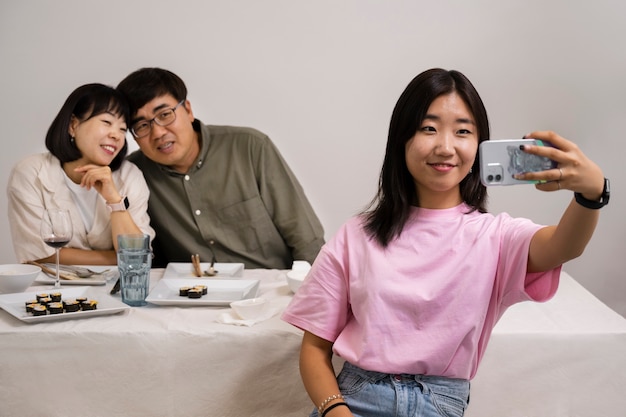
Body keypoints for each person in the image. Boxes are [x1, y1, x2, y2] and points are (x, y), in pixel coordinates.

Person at [281, 68, 608, 417]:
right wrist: (336, 412)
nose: (445, 146)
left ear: (479, 146)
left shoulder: (496, 237)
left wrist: (592, 194)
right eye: (428, 128)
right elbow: (315, 348)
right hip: (354, 401)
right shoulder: (356, 235)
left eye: (463, 131)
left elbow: (563, 246)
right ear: (402, 139)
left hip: (438, 405)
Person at [116, 67, 324, 269]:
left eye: (165, 114)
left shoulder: (250, 147)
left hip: (269, 290)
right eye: (142, 126)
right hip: (190, 296)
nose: (158, 132)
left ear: (188, 110)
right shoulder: (134, 173)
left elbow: (305, 238)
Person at [7, 83, 155, 265]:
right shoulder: (32, 173)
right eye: (107, 122)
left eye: (122, 129)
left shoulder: (129, 176)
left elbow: (138, 257)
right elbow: (39, 254)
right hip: (53, 288)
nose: (116, 135)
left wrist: (115, 201)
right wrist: (117, 258)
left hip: (115, 289)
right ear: (73, 125)